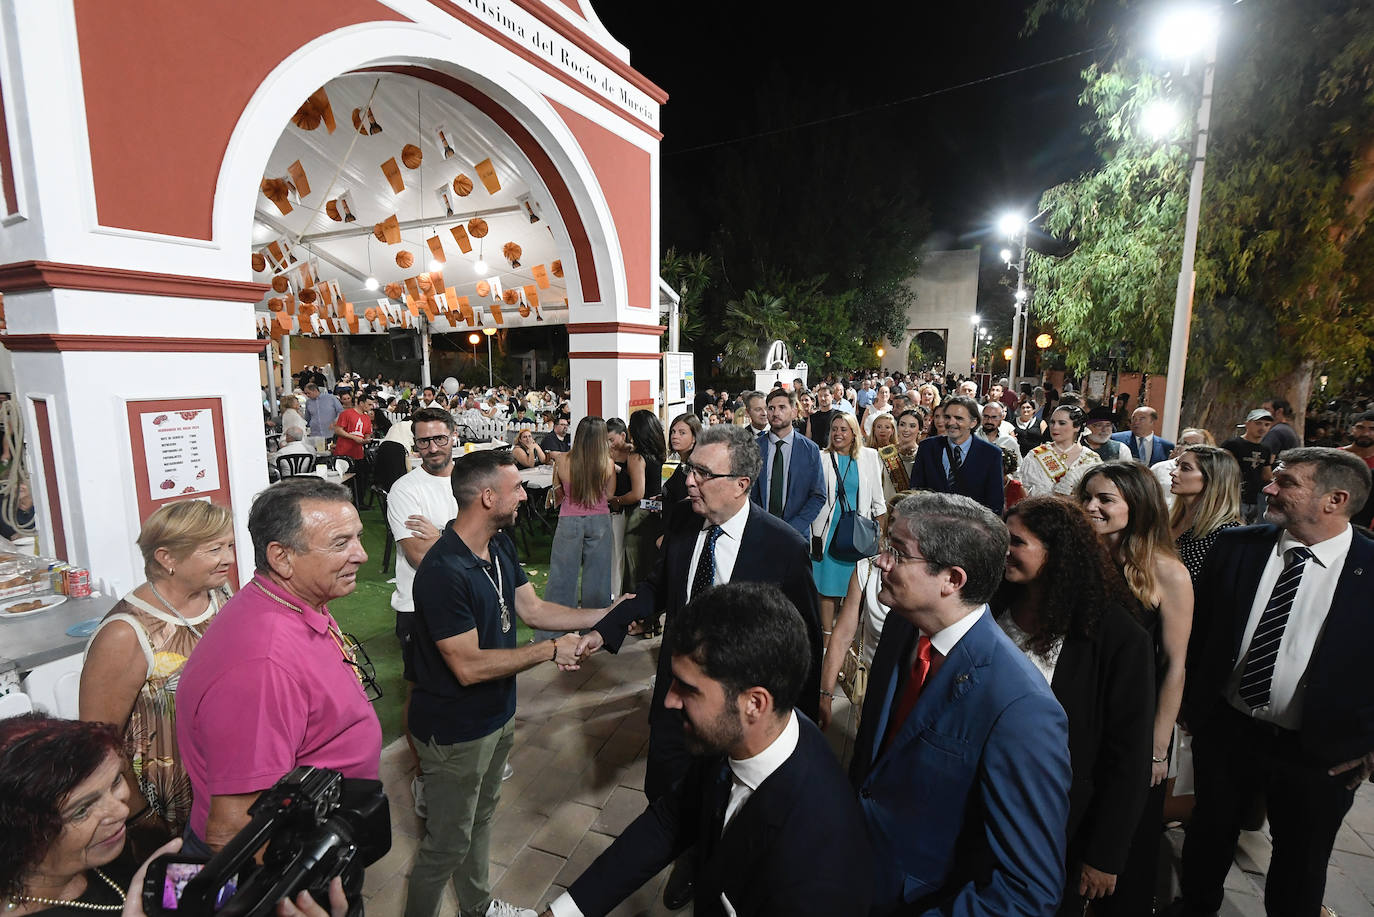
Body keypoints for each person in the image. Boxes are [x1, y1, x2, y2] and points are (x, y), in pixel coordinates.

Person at [542, 583, 872, 917]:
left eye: (687, 688)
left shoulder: (819, 861)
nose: (669, 701)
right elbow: (670, 820)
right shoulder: (736, 733)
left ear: (754, 704)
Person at [404, 452, 618, 917]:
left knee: (479, 822)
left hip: (496, 717)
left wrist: (610, 614)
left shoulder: (499, 546)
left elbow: (535, 611)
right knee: (445, 846)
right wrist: (548, 650)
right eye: (517, 487)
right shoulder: (443, 572)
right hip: (455, 730)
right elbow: (467, 667)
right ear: (487, 497)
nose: (526, 494)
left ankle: (476, 908)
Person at [577, 423, 823, 807]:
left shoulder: (783, 547)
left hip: (737, 712)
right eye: (691, 469)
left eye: (704, 474)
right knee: (663, 799)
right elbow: (658, 586)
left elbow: (805, 641)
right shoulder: (682, 519)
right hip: (674, 699)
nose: (690, 481)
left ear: (742, 483)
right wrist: (604, 629)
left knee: (723, 812)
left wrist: (799, 725)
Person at [1173, 448, 1374, 917]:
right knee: (1207, 838)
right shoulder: (1238, 546)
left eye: (1286, 482)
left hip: (1321, 754)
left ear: (1335, 499)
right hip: (1227, 730)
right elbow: (1200, 633)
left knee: (1300, 865)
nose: (1269, 488)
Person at [851, 492, 1071, 915]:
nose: (881, 562)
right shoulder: (903, 625)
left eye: (897, 553)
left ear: (952, 579)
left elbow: (1027, 891)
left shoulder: (1021, 706)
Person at [176, 477, 380, 856]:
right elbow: (233, 829)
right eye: (341, 543)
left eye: (357, 537)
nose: (362, 554)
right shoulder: (262, 665)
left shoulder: (297, 602)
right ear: (281, 557)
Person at [994, 497, 1156, 916]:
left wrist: (1105, 854)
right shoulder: (993, 604)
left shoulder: (1115, 635)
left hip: (1057, 819)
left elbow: (1128, 754)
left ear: (1058, 553)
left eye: (1017, 542)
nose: (1004, 550)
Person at [77, 501, 235, 856]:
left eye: (229, 546)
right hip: (165, 811)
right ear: (167, 558)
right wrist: (141, 818)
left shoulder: (219, 595)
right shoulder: (126, 633)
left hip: (223, 789)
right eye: (214, 549)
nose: (228, 558)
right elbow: (98, 741)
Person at [1077, 462, 1193, 914]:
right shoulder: (1081, 559)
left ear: (1138, 506)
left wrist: (1158, 747)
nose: (1091, 507)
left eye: (1105, 499)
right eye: (1087, 496)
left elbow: (1175, 665)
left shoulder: (1168, 572)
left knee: (1121, 844)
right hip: (1078, 713)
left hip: (1132, 725)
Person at [387, 407, 461, 816]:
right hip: (419, 606)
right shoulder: (405, 490)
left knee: (467, 687)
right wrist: (460, 538)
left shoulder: (469, 479)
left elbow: (496, 534)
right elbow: (418, 557)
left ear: (453, 435)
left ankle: (464, 765)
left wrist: (443, 537)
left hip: (467, 602)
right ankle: (423, 777)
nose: (432, 448)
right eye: (424, 441)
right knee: (422, 696)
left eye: (439, 438)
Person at [0, 715, 139, 912]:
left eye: (115, 781)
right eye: (82, 810)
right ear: (24, 838)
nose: (122, 810)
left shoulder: (108, 852)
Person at [817, 492, 912, 731]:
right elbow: (842, 634)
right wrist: (825, 694)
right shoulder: (867, 568)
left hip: (909, 686)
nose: (893, 528)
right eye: (892, 520)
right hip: (870, 680)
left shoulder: (927, 579)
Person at [541, 417, 616, 642]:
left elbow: (558, 491)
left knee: (562, 578)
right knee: (599, 579)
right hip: (600, 519)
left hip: (569, 520)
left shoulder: (563, 460)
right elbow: (610, 495)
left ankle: (555, 632)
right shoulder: (608, 463)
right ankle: (595, 632)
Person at [811, 412, 886, 636]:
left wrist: (880, 536)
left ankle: (847, 638)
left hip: (857, 534)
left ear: (854, 433)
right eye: (834, 429)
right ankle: (826, 638)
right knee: (827, 588)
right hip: (826, 532)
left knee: (856, 588)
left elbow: (878, 502)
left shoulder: (870, 457)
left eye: (843, 429)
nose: (838, 434)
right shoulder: (821, 457)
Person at [750, 388, 826, 539]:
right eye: (771, 408)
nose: (775, 413)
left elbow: (818, 496)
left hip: (796, 535)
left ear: (794, 411)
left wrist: (793, 529)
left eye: (782, 407)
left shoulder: (810, 450)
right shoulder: (753, 448)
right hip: (759, 531)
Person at [909, 395, 1005, 513]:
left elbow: (995, 503)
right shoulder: (927, 447)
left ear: (973, 422)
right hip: (930, 526)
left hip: (970, 528)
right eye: (947, 417)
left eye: (958, 418)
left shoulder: (991, 454)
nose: (951, 422)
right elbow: (915, 490)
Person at [1168, 445, 1243, 584]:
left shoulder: (1228, 533)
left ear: (1211, 478)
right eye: (1176, 465)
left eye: (1185, 468)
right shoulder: (1170, 519)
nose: (1173, 473)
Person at [619, 411, 667, 595]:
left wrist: (617, 500)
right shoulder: (658, 454)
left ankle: (633, 614)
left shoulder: (636, 457)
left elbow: (637, 493)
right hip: (656, 513)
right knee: (650, 565)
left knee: (634, 568)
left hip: (639, 515)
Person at [1020, 404, 1102, 499]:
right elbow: (1022, 491)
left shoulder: (1091, 459)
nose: (1055, 427)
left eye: (1062, 423)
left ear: (1077, 427)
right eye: (1052, 422)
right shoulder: (1035, 455)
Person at [1223, 408, 1276, 523]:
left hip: (1254, 499)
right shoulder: (1232, 445)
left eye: (1267, 425)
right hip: (1234, 498)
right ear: (1247, 424)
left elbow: (1266, 475)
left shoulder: (1265, 449)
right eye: (1258, 423)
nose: (1262, 428)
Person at [1152, 428, 1213, 511]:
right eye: (1184, 443)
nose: (1186, 447)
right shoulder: (1159, 468)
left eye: (1194, 445)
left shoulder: (1211, 471)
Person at [662, 412, 701, 511]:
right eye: (673, 431)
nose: (674, 436)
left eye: (682, 433)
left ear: (694, 437)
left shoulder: (697, 467)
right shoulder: (683, 464)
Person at [1342, 410, 1374, 527]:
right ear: (1352, 429)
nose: (1365, 433)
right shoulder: (1336, 457)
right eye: (1360, 427)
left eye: (1372, 429)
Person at [332, 391, 374, 463]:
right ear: (361, 403)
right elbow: (338, 430)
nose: (371, 407)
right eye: (369, 404)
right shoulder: (346, 413)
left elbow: (367, 433)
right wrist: (354, 437)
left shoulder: (367, 417)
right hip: (343, 452)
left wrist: (366, 439)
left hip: (358, 453)